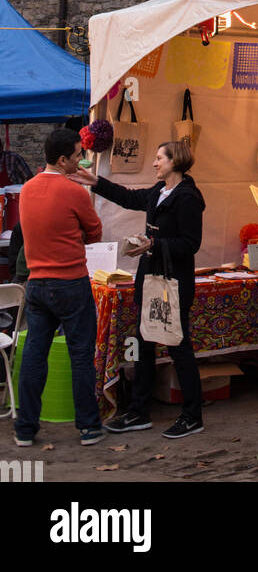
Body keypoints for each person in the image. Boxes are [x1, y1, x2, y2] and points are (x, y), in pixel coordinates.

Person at [73, 139, 206, 439]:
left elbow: (190, 244)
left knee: (177, 345)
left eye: (160, 158)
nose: (155, 163)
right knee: (141, 343)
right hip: (150, 279)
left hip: (172, 282)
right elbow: (129, 197)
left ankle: (192, 414)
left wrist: (154, 244)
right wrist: (96, 181)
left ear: (176, 162)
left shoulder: (188, 197)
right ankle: (138, 410)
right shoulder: (159, 192)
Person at [14, 127, 105, 448]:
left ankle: (25, 427)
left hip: (37, 284)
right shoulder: (74, 192)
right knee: (80, 355)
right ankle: (89, 427)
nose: (82, 159)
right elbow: (95, 232)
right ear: (63, 159)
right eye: (79, 154)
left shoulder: (27, 189)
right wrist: (75, 236)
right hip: (70, 283)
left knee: (34, 356)